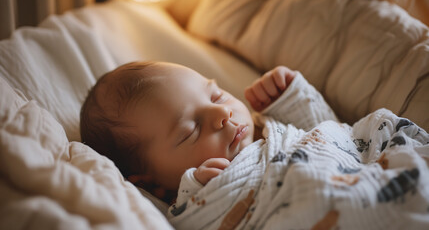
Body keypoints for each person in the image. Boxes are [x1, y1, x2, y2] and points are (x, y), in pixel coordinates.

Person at [79, 61, 335, 203]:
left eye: (217, 96)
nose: (222, 114)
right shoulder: (195, 199)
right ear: (151, 184)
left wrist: (291, 97)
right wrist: (197, 193)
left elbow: (336, 134)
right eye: (191, 130)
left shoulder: (273, 123)